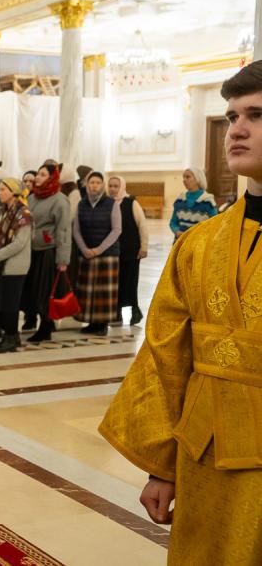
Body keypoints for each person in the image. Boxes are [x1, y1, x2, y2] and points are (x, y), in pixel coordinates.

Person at [100, 60, 262, 564]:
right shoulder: (199, 243)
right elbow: (165, 357)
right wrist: (161, 465)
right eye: (232, 116)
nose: (236, 129)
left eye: (256, 115)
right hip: (204, 453)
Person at [21, 163, 71, 343]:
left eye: (42, 175)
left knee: (45, 291)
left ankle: (46, 326)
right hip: (31, 250)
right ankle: (39, 321)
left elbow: (64, 230)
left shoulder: (60, 199)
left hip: (48, 252)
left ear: (51, 177)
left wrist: (63, 259)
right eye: (38, 174)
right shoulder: (32, 197)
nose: (38, 177)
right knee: (33, 290)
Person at [73, 171, 121, 337]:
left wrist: (98, 249)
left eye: (97, 183)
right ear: (87, 185)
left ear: (102, 185)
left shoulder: (112, 204)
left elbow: (116, 230)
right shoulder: (81, 204)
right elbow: (76, 230)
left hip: (107, 254)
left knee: (103, 292)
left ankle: (102, 324)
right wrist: (84, 249)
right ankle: (92, 322)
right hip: (86, 253)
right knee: (88, 291)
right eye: (91, 182)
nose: (94, 186)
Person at [0, 177, 32, 354]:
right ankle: (8, 336)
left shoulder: (24, 214)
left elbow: (19, 244)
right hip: (0, 263)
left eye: (3, 189)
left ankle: (12, 337)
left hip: (15, 265)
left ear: (13, 192)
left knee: (10, 304)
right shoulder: (0, 211)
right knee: (1, 302)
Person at [108, 176, 148, 325]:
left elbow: (142, 225)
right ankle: (116, 312)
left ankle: (135, 311)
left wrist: (144, 247)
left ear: (122, 187)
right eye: (110, 186)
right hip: (113, 251)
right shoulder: (106, 203)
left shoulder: (131, 203)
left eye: (116, 186)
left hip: (131, 250)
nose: (112, 189)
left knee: (130, 281)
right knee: (116, 283)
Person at [169, 167, 217, 240]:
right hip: (181, 242)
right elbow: (173, 222)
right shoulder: (180, 200)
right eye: (183, 177)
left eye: (188, 177)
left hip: (199, 243)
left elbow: (214, 224)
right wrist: (177, 232)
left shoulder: (208, 201)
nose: (184, 180)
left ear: (198, 179)